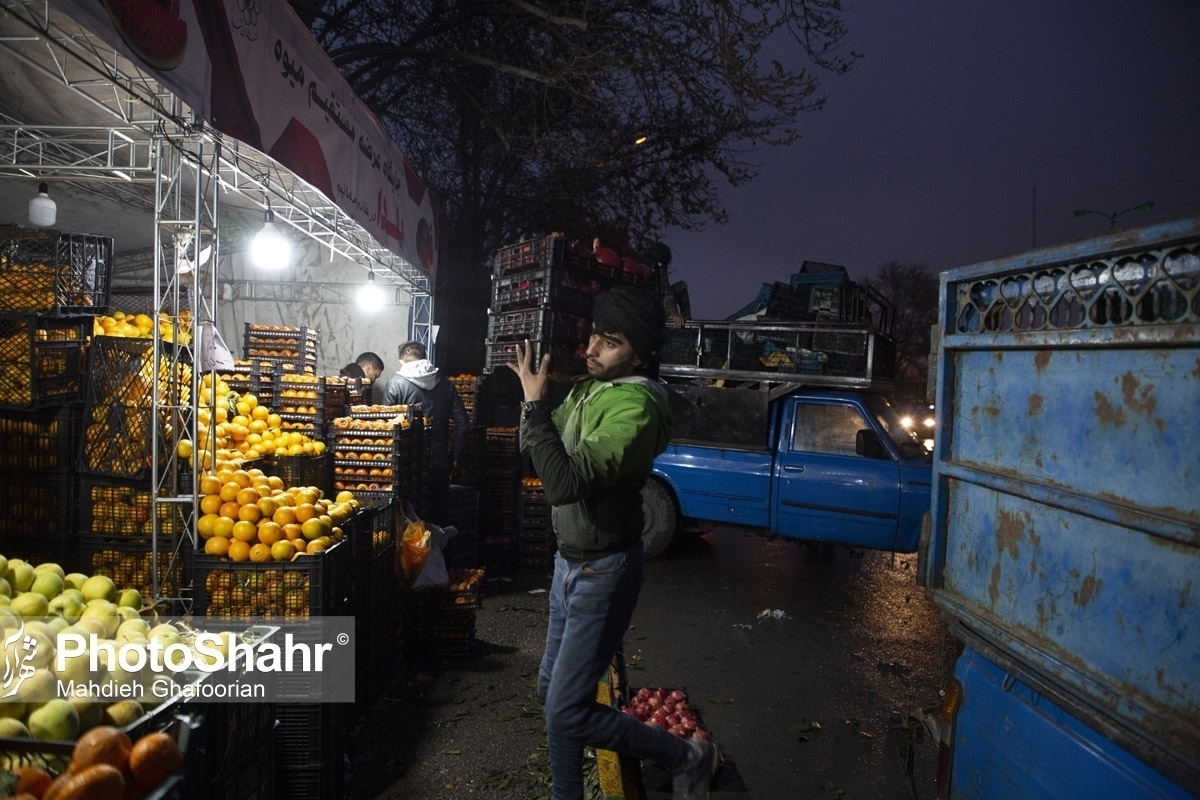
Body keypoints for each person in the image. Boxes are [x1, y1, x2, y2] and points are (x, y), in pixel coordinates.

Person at [508, 285, 720, 800]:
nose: (592, 350)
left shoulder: (637, 408)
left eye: (610, 343)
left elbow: (561, 481)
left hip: (604, 572)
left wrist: (536, 408)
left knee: (566, 706)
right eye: (594, 337)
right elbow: (532, 449)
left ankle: (687, 755)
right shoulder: (588, 390)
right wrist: (533, 412)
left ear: (640, 354)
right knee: (551, 693)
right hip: (568, 565)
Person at [382, 341, 469, 524]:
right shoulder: (445, 384)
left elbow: (386, 427)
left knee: (407, 518)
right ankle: (439, 552)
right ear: (425, 357)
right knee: (438, 516)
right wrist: (456, 456)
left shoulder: (395, 384)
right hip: (439, 460)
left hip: (406, 462)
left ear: (401, 360)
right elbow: (462, 423)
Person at [641, 241, 691, 329]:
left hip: (637, 311)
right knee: (682, 286)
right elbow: (667, 293)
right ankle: (688, 324)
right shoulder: (658, 265)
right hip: (653, 313)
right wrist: (675, 314)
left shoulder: (639, 262)